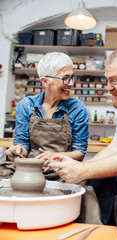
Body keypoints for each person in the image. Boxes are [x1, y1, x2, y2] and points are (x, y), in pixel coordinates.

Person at [43, 45, 117, 239]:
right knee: (94, 182)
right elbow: (115, 148)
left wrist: (82, 170)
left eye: (113, 80)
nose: (108, 88)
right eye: (107, 80)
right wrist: (79, 167)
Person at [4, 52, 89, 180]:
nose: (71, 83)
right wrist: (18, 150)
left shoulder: (77, 108)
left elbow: (80, 152)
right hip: (31, 168)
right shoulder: (26, 105)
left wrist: (55, 155)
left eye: (72, 77)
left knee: (86, 196)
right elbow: (23, 143)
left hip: (62, 170)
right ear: (45, 81)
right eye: (65, 78)